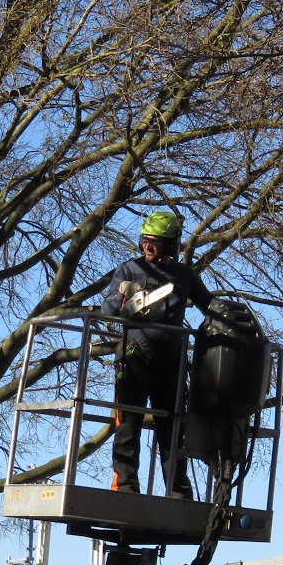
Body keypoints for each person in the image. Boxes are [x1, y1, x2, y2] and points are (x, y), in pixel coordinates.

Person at [101, 211, 212, 498]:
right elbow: (107, 312)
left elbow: (211, 307)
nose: (148, 247)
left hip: (171, 364)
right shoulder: (129, 269)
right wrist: (124, 294)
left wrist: (230, 323)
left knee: (173, 431)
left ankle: (178, 491)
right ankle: (125, 489)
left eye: (155, 242)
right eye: (144, 240)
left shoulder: (184, 275)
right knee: (127, 428)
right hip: (134, 359)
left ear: (171, 245)